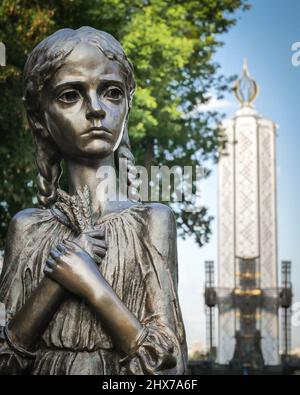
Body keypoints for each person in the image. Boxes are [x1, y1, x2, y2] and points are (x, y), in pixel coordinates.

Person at [0, 27, 187, 375]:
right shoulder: (27, 229)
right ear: (40, 120)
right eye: (70, 96)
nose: (96, 109)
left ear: (127, 108)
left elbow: (169, 370)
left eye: (112, 93)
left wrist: (92, 285)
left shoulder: (152, 222)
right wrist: (54, 282)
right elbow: (5, 361)